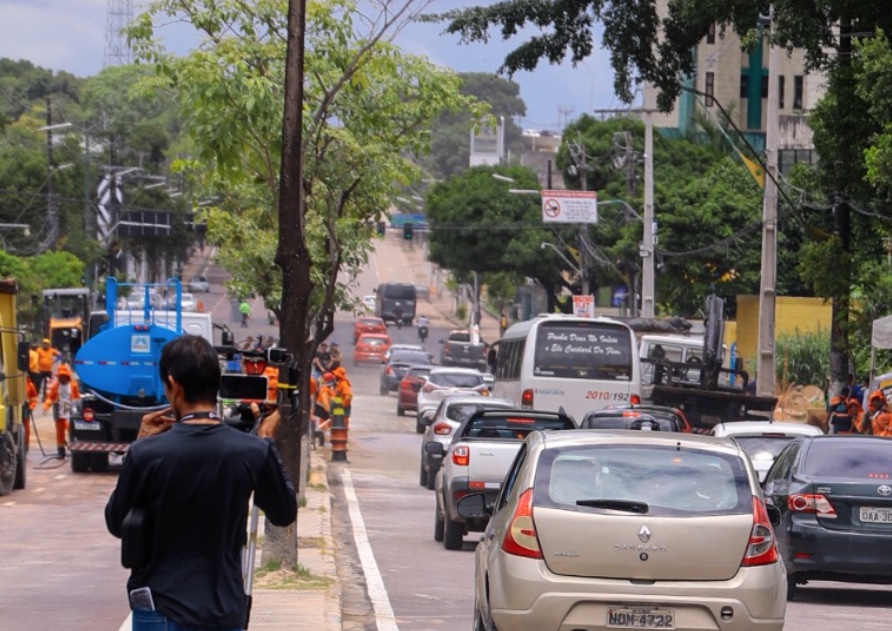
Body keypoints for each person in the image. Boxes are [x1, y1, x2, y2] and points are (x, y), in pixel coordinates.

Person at [105, 335, 297, 631]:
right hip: (224, 611)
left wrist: (139, 443)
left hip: (161, 611)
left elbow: (116, 522)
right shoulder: (251, 451)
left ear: (174, 384)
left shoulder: (147, 454)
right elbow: (284, 512)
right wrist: (267, 440)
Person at [43, 363, 80, 459]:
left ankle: (74, 449)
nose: (61, 378)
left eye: (63, 376)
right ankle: (61, 452)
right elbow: (50, 398)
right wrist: (46, 406)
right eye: (60, 376)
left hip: (68, 407)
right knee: (60, 433)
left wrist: (76, 409)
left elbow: (77, 398)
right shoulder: (56, 386)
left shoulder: (73, 386)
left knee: (70, 430)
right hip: (58, 410)